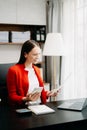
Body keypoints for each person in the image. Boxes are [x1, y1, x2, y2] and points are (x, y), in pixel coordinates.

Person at [7, 40, 58, 108]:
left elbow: (37, 92)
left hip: (40, 106)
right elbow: (12, 96)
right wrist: (26, 99)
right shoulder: (13, 70)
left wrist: (48, 93)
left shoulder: (37, 69)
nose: (38, 57)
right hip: (24, 108)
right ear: (25, 54)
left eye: (39, 54)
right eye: (34, 54)